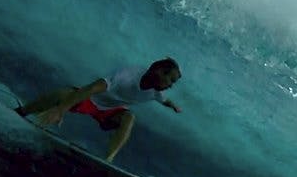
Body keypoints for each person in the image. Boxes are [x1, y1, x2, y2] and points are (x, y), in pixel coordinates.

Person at [15, 57, 182, 163]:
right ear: (158, 71)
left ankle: (108, 160)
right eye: (171, 80)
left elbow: (163, 100)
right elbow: (94, 87)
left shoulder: (155, 92)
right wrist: (61, 109)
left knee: (129, 118)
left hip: (109, 112)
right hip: (91, 100)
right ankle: (22, 111)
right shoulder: (128, 75)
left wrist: (172, 105)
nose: (170, 85)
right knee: (62, 94)